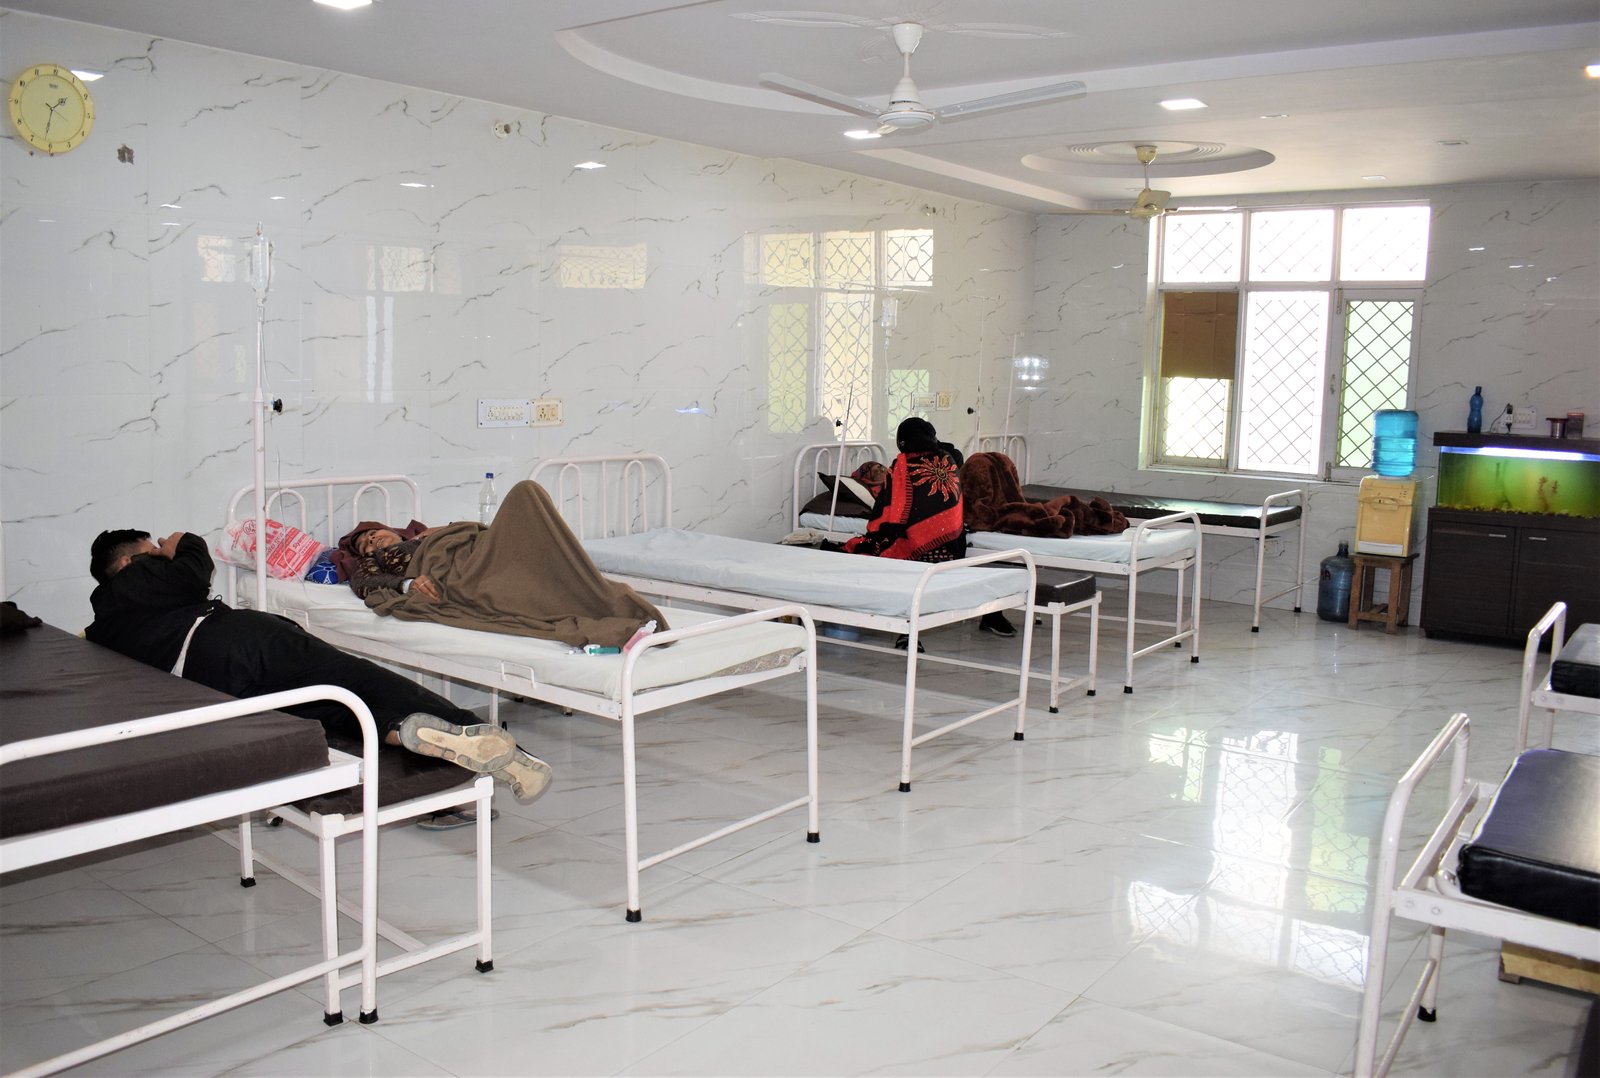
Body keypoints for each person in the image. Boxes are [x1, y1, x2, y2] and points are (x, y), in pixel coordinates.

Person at [85, 528, 553, 817]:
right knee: (361, 680)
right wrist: (182, 543)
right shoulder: (132, 580)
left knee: (337, 711)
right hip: (237, 642)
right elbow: (193, 570)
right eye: (151, 551)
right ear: (127, 563)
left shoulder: (103, 625)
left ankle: (406, 731)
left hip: (217, 690)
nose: (159, 554)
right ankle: (501, 748)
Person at [331, 479, 666, 652]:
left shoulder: (428, 532)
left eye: (374, 534)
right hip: (461, 576)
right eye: (365, 546)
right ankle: (605, 604)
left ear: (390, 528)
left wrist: (446, 531)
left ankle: (600, 593)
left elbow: (477, 535)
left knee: (527, 496)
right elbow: (363, 583)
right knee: (525, 501)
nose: (373, 543)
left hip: (481, 552)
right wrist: (407, 584)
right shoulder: (377, 562)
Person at [837, 417, 1016, 641]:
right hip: (953, 546)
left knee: (889, 558)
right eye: (873, 471)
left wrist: (879, 531)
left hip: (915, 550)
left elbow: (886, 511)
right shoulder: (948, 459)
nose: (879, 470)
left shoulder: (900, 467)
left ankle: (907, 630)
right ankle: (990, 613)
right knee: (929, 576)